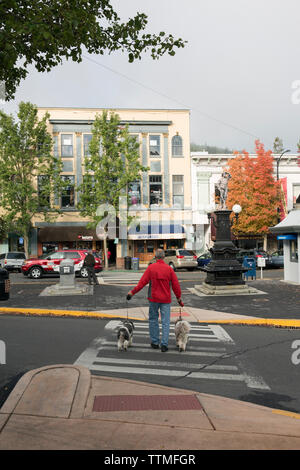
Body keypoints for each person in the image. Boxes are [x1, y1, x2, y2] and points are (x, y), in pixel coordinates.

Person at [126, 249, 184, 352]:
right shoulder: (169, 269)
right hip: (166, 299)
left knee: (153, 320)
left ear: (155, 257)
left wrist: (132, 292)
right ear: (164, 257)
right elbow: (176, 285)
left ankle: (155, 342)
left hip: (153, 298)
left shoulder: (151, 268)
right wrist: (179, 298)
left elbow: (142, 283)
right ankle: (164, 344)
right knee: (165, 322)